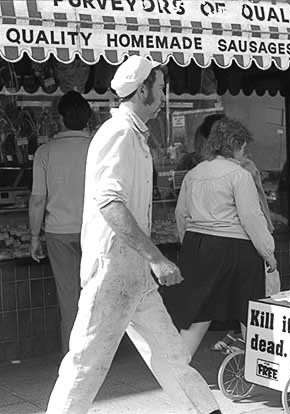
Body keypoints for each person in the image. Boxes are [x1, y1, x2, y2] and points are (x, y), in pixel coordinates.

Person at [45, 56, 221, 414]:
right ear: (143, 90)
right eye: (159, 87)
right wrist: (156, 258)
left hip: (134, 273)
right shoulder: (121, 134)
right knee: (87, 362)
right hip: (113, 271)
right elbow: (109, 203)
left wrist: (148, 262)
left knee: (171, 355)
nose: (162, 95)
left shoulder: (133, 134)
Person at [161, 117, 277, 357]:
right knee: (250, 309)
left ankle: (177, 369)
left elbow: (180, 214)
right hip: (235, 248)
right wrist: (268, 252)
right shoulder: (239, 175)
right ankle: (261, 365)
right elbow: (251, 219)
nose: (245, 152)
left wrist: (191, 244)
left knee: (198, 311)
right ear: (235, 145)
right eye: (244, 146)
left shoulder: (193, 174)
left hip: (196, 244)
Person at [29, 91, 92, 354]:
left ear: (60, 119)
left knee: (70, 300)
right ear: (88, 118)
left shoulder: (45, 152)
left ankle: (73, 358)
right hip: (95, 232)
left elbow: (37, 199)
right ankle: (97, 356)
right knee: (96, 297)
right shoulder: (98, 147)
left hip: (58, 233)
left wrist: (34, 237)